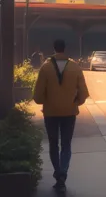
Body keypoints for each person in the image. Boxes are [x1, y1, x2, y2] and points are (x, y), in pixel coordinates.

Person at [33, 39, 90, 192]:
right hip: (69, 113)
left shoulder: (45, 68)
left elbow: (37, 97)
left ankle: (57, 172)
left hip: (50, 113)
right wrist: (74, 102)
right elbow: (84, 93)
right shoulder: (75, 67)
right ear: (65, 49)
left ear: (54, 49)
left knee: (53, 144)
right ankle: (63, 173)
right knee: (66, 144)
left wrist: (48, 101)